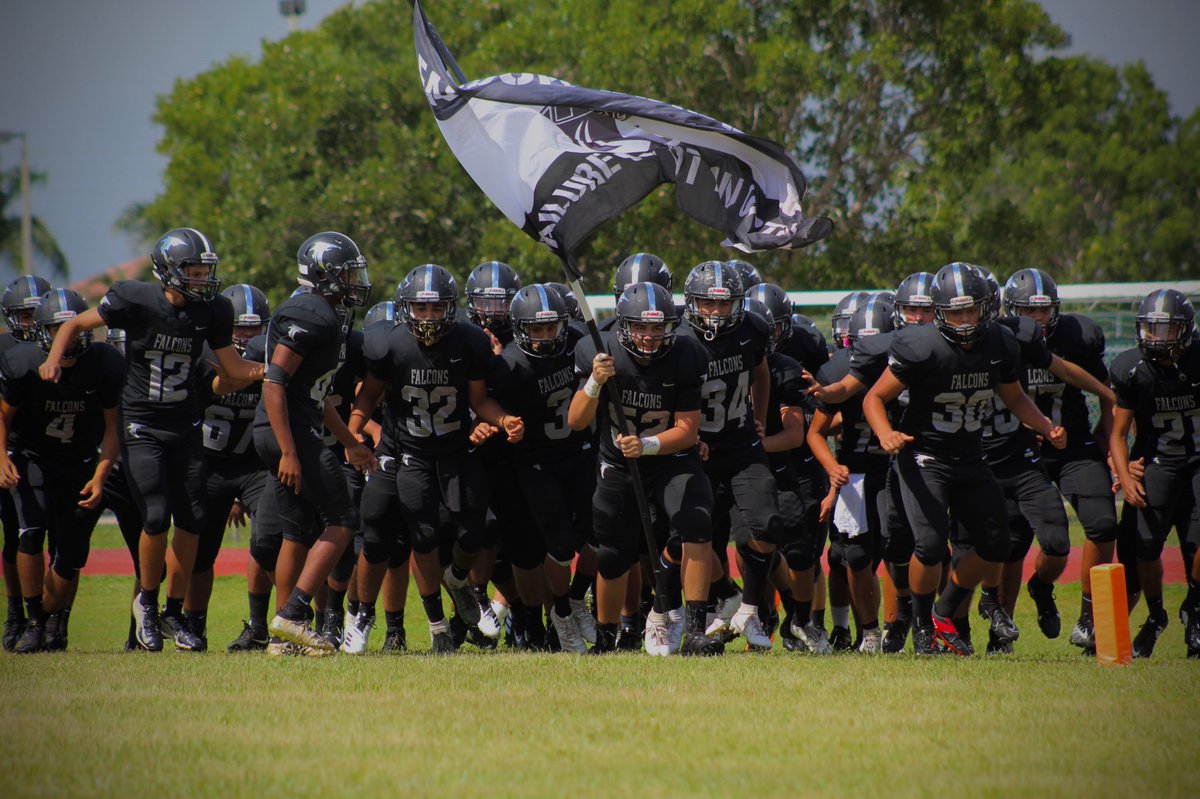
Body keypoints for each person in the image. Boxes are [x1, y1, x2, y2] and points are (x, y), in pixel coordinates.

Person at [40, 228, 264, 652]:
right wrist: (53, 358)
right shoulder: (135, 299)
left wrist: (269, 371)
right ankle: (146, 599)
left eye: (204, 272)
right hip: (142, 422)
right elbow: (74, 323)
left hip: (185, 423)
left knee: (193, 518)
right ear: (168, 272)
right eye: (193, 272)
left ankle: (174, 613)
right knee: (157, 515)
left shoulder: (212, 310)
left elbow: (232, 369)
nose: (201, 279)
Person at [863, 263, 1065, 656]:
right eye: (955, 312)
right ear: (940, 311)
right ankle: (923, 626)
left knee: (996, 544)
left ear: (985, 308)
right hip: (924, 454)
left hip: (971, 455)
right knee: (931, 544)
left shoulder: (1000, 344)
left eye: (970, 310)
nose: (964, 320)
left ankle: (943, 609)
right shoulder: (921, 346)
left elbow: (1015, 396)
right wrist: (886, 433)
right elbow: (874, 397)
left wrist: (1044, 426)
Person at [348, 264, 522, 654]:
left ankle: (458, 580)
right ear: (407, 308)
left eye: (437, 309)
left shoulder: (469, 341)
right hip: (410, 453)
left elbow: (479, 400)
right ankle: (436, 625)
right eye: (421, 309)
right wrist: (355, 426)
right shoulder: (388, 343)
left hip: (456, 449)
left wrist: (503, 418)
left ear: (451, 308)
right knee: (422, 536)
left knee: (475, 530)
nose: (429, 317)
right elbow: (369, 392)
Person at [570, 281, 723, 655]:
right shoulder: (600, 351)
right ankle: (607, 636)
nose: (650, 336)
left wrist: (648, 445)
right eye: (641, 327)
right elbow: (576, 421)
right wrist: (594, 383)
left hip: (670, 458)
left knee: (697, 523)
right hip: (618, 464)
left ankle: (695, 630)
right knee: (613, 553)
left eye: (658, 328)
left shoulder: (687, 353)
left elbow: (687, 431)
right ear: (624, 325)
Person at [252, 231, 375, 655]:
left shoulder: (326, 313)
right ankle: (294, 615)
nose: (356, 281)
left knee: (297, 533)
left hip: (286, 429)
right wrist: (289, 449)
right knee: (342, 519)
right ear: (325, 275)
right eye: (348, 273)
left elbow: (315, 396)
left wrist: (350, 444)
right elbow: (274, 382)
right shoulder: (312, 313)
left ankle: (280, 640)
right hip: (287, 433)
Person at [0, 289, 123, 652]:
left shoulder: (104, 363)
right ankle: (34, 621)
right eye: (58, 328)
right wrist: (2, 457)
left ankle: (49, 618)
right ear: (43, 331)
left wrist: (101, 474)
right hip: (35, 457)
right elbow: (4, 418)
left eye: (75, 328)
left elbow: (112, 428)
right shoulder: (22, 362)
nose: (71, 336)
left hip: (81, 461)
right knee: (29, 533)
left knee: (70, 554)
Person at [487, 284, 598, 653]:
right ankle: (563, 615)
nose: (546, 336)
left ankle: (577, 598)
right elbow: (485, 401)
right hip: (538, 463)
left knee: (600, 536)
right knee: (561, 546)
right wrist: (503, 422)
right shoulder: (511, 364)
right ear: (521, 328)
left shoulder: (581, 343)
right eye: (537, 329)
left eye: (551, 328)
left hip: (581, 452)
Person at [1109, 288, 1200, 658]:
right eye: (1151, 329)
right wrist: (1125, 476)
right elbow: (1116, 433)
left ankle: (1194, 610)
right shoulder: (1131, 368)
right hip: (1157, 463)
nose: (1158, 339)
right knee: (1145, 549)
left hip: (1197, 461)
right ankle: (1157, 614)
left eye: (1167, 330)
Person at [0, 275, 51, 651]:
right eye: (25, 315)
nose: (32, 322)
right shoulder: (5, 351)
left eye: (38, 313)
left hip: (48, 450)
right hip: (10, 450)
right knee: (14, 535)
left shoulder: (62, 349)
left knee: (36, 534)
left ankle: (45, 622)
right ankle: (16, 613)